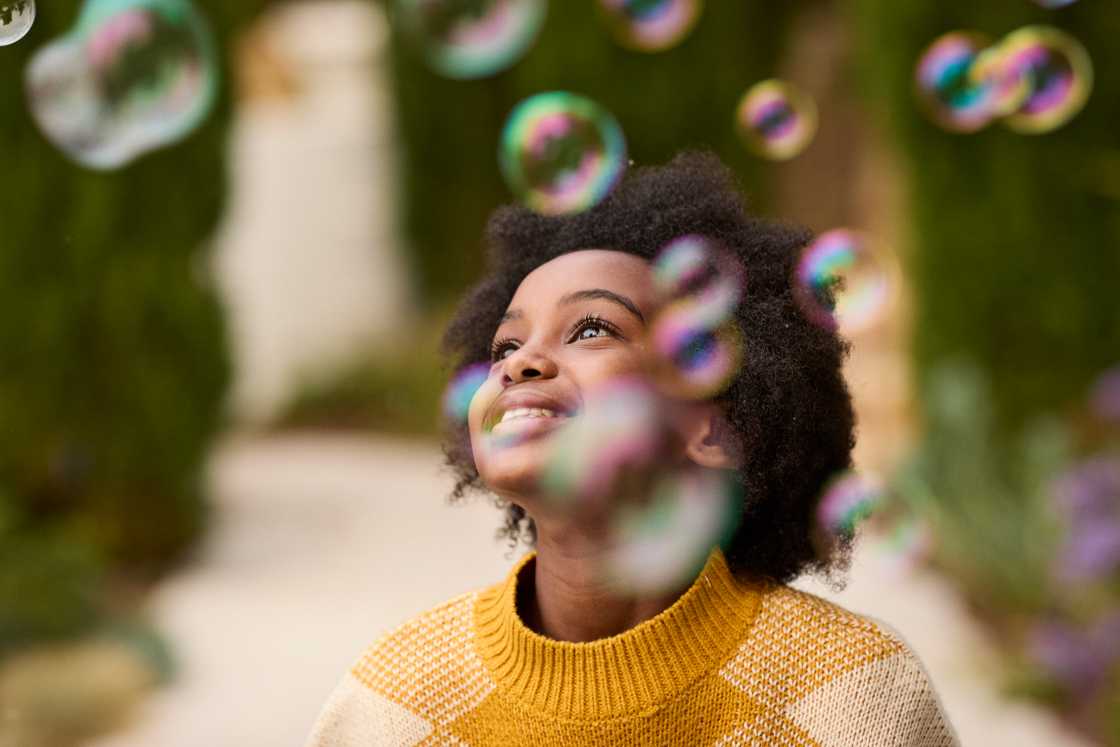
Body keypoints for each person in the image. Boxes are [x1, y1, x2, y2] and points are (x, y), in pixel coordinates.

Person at [305, 151, 958, 746]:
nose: (523, 362)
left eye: (591, 327)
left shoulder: (854, 696)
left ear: (713, 424)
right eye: (506, 345)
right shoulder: (394, 705)